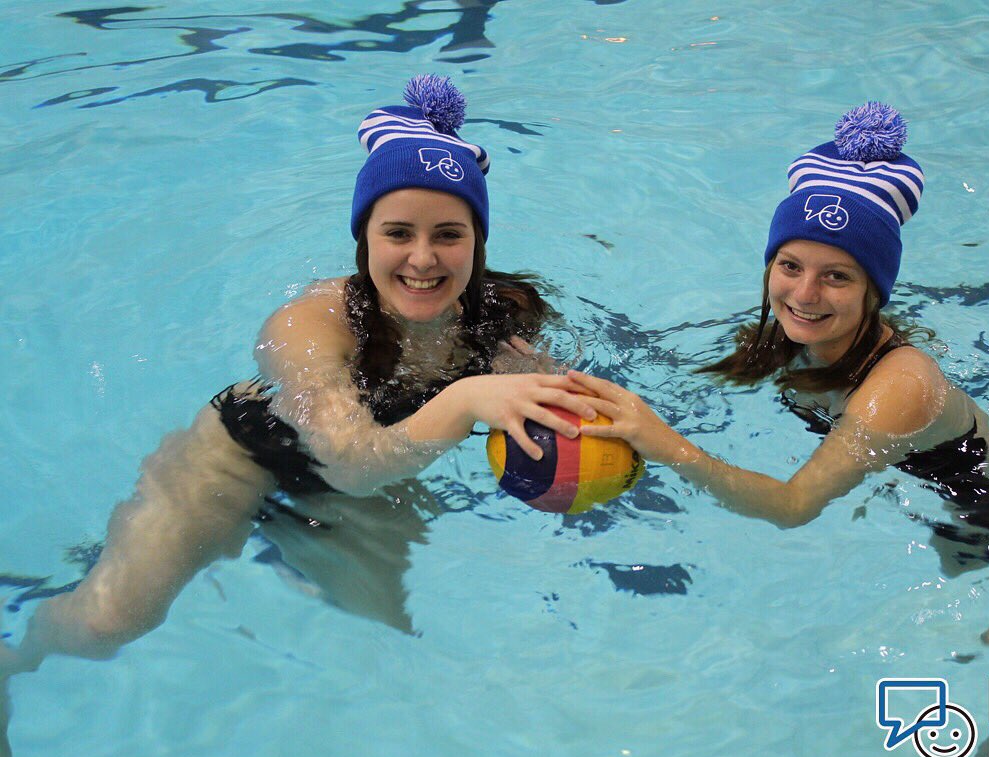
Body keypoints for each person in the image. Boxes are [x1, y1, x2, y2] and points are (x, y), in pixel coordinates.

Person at [569, 103, 989, 757]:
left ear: (874, 288)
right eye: (790, 265)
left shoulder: (895, 386)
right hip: (988, 535)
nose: (803, 294)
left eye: (836, 277)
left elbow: (795, 505)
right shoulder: (787, 338)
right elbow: (673, 376)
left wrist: (666, 446)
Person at [1, 74, 595, 672]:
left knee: (387, 632)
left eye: (448, 235)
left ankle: (290, 544)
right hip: (244, 458)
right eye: (397, 233)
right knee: (106, 624)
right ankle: (14, 659)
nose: (422, 258)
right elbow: (352, 462)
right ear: (364, 238)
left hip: (367, 480)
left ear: (477, 242)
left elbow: (545, 401)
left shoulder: (500, 313)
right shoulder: (307, 323)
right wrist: (469, 398)